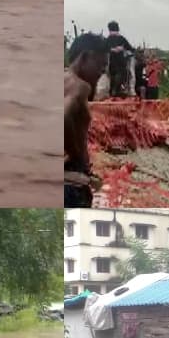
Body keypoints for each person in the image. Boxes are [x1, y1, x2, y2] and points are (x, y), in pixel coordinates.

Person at [65, 32, 108, 208]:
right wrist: (77, 154)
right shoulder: (81, 86)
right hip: (73, 185)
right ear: (84, 57)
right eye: (100, 64)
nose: (102, 71)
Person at [106, 21, 134, 97]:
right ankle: (121, 89)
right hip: (120, 63)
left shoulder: (108, 39)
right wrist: (120, 49)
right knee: (124, 75)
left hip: (113, 64)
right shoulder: (121, 39)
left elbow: (104, 49)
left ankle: (113, 91)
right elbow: (131, 49)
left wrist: (113, 49)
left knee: (114, 77)